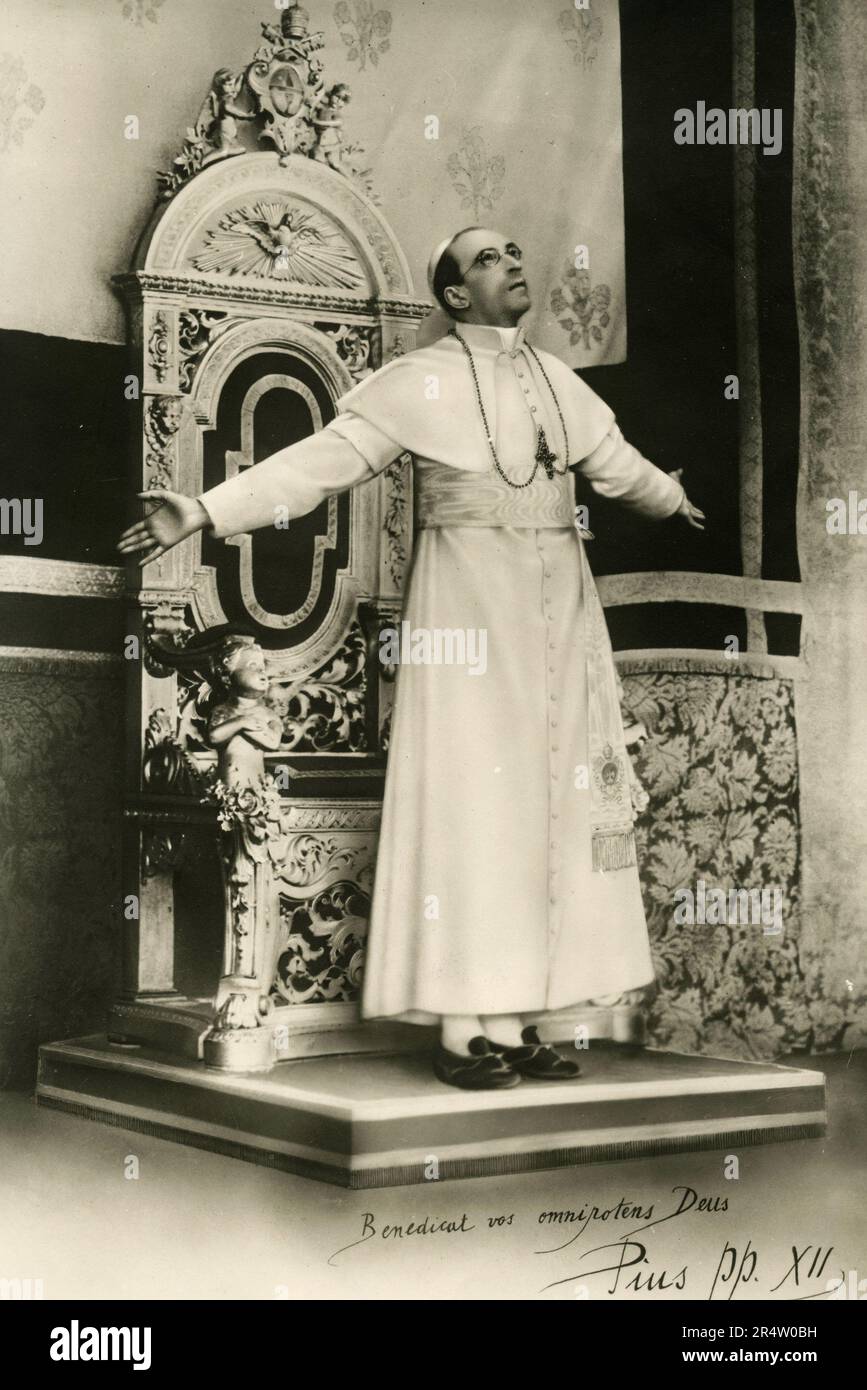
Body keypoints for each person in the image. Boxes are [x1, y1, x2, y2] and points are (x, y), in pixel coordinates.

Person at [119, 227, 705, 1091]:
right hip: (468, 607)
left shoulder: (552, 378)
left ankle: (516, 1020)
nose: (512, 261)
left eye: (514, 249)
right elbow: (319, 466)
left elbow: (616, 466)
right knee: (477, 803)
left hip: (561, 613)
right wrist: (205, 510)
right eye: (488, 258)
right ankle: (464, 1029)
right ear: (455, 295)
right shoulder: (419, 380)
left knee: (547, 804)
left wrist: (675, 498)